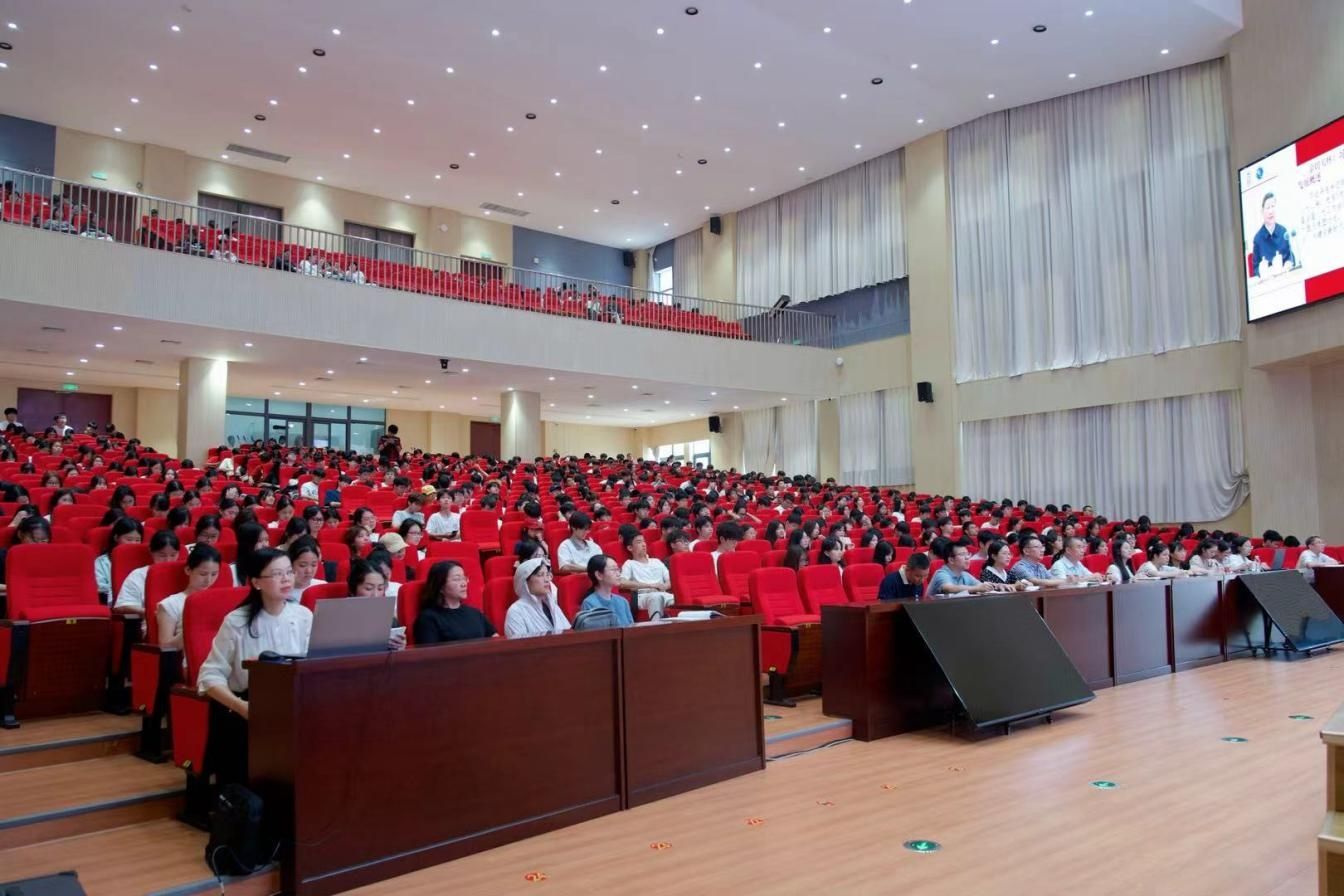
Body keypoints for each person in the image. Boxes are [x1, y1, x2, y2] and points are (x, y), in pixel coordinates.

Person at [197, 548, 312, 785]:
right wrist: (241, 707)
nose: (286, 579)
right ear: (257, 582)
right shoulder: (237, 621)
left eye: (289, 572)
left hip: (294, 706)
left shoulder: (303, 616)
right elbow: (210, 675)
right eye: (277, 574)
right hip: (248, 708)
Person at [413, 559, 496, 644]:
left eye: (464, 578)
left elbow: (495, 640)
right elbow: (428, 651)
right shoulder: (428, 619)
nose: (464, 584)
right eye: (457, 579)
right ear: (440, 586)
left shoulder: (475, 613)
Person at [157, 544, 222, 649]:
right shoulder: (171, 604)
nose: (208, 580)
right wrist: (195, 627)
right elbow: (165, 646)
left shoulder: (220, 601)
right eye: (203, 574)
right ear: (188, 570)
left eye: (214, 574)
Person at [115, 530, 182, 613]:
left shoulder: (185, 573)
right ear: (151, 551)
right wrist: (149, 613)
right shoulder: (138, 575)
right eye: (162, 555)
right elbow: (123, 605)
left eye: (173, 555)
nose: (168, 560)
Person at [504, 557, 570, 638]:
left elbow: (568, 633)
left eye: (547, 574)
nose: (547, 580)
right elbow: (518, 644)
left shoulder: (551, 604)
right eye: (540, 575)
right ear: (525, 581)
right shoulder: (516, 612)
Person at [618, 530, 673, 620]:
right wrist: (650, 585)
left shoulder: (656, 561)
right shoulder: (629, 564)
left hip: (663, 593)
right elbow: (622, 583)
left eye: (644, 541)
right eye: (639, 542)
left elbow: (670, 579)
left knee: (679, 600)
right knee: (656, 597)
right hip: (642, 596)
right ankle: (656, 626)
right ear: (630, 548)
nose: (644, 544)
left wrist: (665, 586)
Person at [578, 554, 634, 627]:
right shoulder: (589, 603)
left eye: (618, 569)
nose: (618, 574)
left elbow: (631, 629)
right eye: (613, 570)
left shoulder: (623, 602)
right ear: (599, 575)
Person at [95, 516, 143, 599]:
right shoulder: (102, 562)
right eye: (129, 539)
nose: (133, 544)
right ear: (116, 538)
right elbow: (101, 589)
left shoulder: (144, 561)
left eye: (137, 540)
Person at [1251, 192, 1297, 276]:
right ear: (1262, 211)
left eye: (1273, 206)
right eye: (1268, 208)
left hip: (1285, 276)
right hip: (1268, 280)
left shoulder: (1283, 231)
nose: (1271, 211)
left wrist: (1289, 263)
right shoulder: (1257, 239)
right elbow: (1255, 268)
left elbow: (1290, 255)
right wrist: (1263, 271)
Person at [288, 537, 326, 602]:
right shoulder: (282, 592)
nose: (309, 571)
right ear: (290, 564)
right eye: (302, 565)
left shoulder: (323, 586)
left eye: (314, 565)